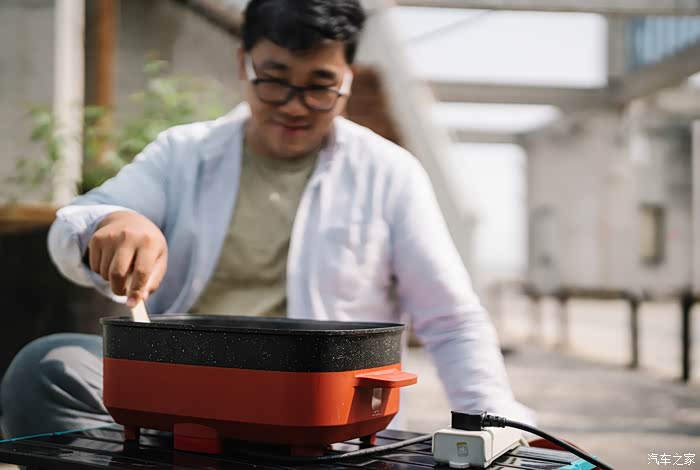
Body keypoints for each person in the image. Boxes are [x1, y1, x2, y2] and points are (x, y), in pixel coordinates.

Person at [0, 0, 534, 439]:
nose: (295, 106)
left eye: (319, 86)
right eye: (275, 81)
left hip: (319, 412)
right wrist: (112, 222)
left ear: (348, 79)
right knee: (49, 369)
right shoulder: (183, 154)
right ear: (244, 65)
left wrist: (493, 423)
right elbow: (74, 223)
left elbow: (450, 319)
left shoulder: (389, 173)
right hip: (185, 391)